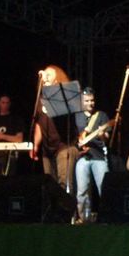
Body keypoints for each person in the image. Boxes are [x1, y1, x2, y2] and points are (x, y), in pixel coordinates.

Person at [29, 65, 80, 193]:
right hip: (47, 150)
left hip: (64, 146)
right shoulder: (40, 100)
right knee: (50, 187)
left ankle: (68, 207)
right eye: (44, 75)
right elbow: (39, 124)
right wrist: (35, 145)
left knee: (64, 185)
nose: (45, 77)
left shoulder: (63, 97)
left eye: (49, 75)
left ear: (57, 79)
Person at [74, 87, 113, 223]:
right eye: (87, 101)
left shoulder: (101, 115)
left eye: (92, 100)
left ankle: (107, 218)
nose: (90, 103)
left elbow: (106, 137)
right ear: (81, 101)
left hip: (99, 157)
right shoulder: (77, 116)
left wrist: (102, 135)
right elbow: (74, 138)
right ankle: (84, 219)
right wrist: (78, 146)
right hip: (82, 157)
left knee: (104, 188)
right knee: (81, 191)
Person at [0, 94, 24, 180]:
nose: (5, 105)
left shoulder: (16, 120)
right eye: (3, 102)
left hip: (9, 156)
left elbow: (19, 139)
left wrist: (2, 136)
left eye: (7, 103)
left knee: (9, 181)